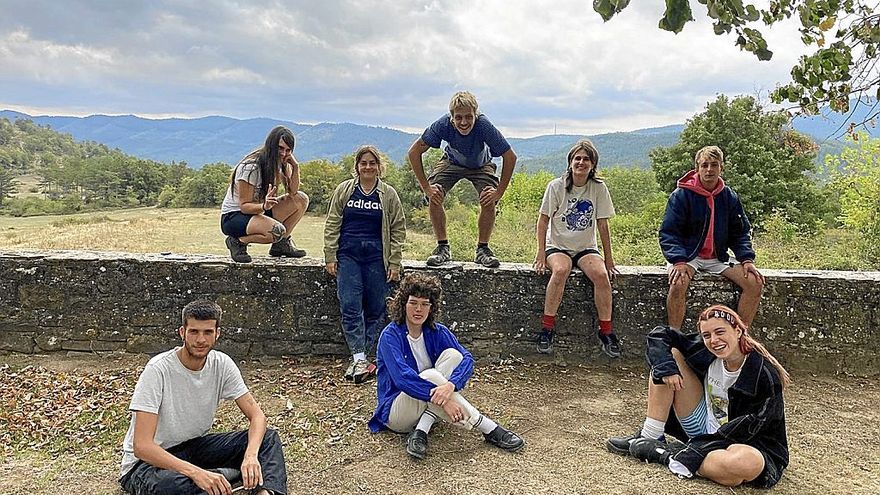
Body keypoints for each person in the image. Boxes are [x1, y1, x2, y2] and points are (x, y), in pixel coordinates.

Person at [606, 304, 790, 488]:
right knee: (668, 356)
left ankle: (666, 454)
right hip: (699, 424)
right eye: (707, 335)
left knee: (745, 463)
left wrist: (699, 448)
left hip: (737, 442)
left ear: (738, 330)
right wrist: (667, 369)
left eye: (720, 332)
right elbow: (660, 335)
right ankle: (651, 435)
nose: (714, 340)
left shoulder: (763, 373)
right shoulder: (705, 350)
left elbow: (752, 426)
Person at [119, 300, 287, 495]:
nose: (200, 340)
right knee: (173, 486)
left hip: (192, 449)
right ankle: (219, 476)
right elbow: (142, 446)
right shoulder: (158, 370)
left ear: (217, 333)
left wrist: (250, 456)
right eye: (194, 332)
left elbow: (257, 417)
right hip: (146, 463)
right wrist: (195, 473)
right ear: (182, 332)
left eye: (207, 332)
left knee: (266, 438)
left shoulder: (221, 364)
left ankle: (264, 492)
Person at [368, 272, 525, 459]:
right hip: (397, 413)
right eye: (413, 303)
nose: (418, 309)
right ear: (403, 304)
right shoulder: (390, 336)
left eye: (425, 304)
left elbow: (467, 359)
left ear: (432, 307)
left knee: (453, 355)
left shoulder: (436, 331)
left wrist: (450, 386)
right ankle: (487, 427)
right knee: (430, 376)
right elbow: (403, 379)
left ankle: (421, 431)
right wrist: (447, 401)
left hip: (425, 403)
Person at [323, 145, 406, 384]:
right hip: (348, 255)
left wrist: (394, 262)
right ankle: (359, 357)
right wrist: (330, 255)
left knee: (376, 308)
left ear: (379, 167)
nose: (368, 167)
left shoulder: (388, 194)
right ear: (357, 167)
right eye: (363, 163)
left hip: (377, 258)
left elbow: (398, 229)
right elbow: (332, 223)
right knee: (350, 305)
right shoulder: (345, 191)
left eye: (372, 163)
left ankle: (362, 357)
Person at [407, 91, 517, 268]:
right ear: (451, 117)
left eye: (468, 117)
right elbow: (414, 152)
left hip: (481, 164)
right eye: (458, 117)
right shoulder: (442, 124)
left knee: (488, 198)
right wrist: (426, 188)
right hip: (452, 162)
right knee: (435, 194)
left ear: (476, 114)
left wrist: (498, 193)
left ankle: (483, 249)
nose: (464, 122)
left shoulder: (484, 125)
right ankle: (442, 248)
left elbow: (510, 157)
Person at [660, 145, 765, 330]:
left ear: (721, 168)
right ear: (697, 168)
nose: (709, 170)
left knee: (755, 283)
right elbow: (669, 232)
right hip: (688, 255)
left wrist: (747, 259)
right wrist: (678, 260)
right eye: (705, 165)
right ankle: (674, 337)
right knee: (678, 283)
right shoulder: (682, 195)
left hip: (717, 257)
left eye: (714, 165)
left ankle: (740, 336)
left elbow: (740, 232)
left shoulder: (729, 197)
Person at [533, 139, 621, 357]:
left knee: (601, 276)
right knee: (561, 270)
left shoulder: (598, 188)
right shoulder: (556, 186)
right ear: (570, 162)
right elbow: (543, 220)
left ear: (593, 164)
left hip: (585, 247)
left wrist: (609, 259)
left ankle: (606, 332)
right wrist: (541, 253)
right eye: (577, 158)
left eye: (586, 159)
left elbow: (602, 224)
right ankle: (547, 328)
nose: (581, 162)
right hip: (558, 245)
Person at [220, 125, 310, 263]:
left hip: (259, 211)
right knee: (277, 231)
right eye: (280, 148)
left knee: (301, 200)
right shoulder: (251, 167)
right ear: (271, 146)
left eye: (288, 150)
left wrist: (295, 166)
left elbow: (292, 192)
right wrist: (264, 206)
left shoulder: (280, 164)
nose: (284, 153)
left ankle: (281, 245)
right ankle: (237, 242)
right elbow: (244, 206)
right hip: (234, 216)